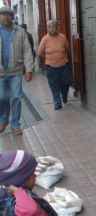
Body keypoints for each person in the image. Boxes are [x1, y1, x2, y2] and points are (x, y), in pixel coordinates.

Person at [0, 6, 34, 136]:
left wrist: (29, 69)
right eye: (3, 14)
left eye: (9, 15)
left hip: (15, 72)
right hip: (0, 73)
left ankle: (15, 124)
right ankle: (3, 120)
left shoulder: (19, 31)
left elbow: (27, 50)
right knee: (2, 97)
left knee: (16, 98)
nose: (6, 17)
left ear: (12, 17)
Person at [38, 20, 70, 110]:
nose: (52, 29)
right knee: (54, 85)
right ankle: (57, 102)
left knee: (66, 83)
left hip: (63, 66)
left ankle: (64, 96)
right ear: (48, 28)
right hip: (50, 67)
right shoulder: (45, 39)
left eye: (54, 27)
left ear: (57, 28)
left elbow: (67, 49)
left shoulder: (62, 37)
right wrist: (48, 58)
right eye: (50, 27)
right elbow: (40, 52)